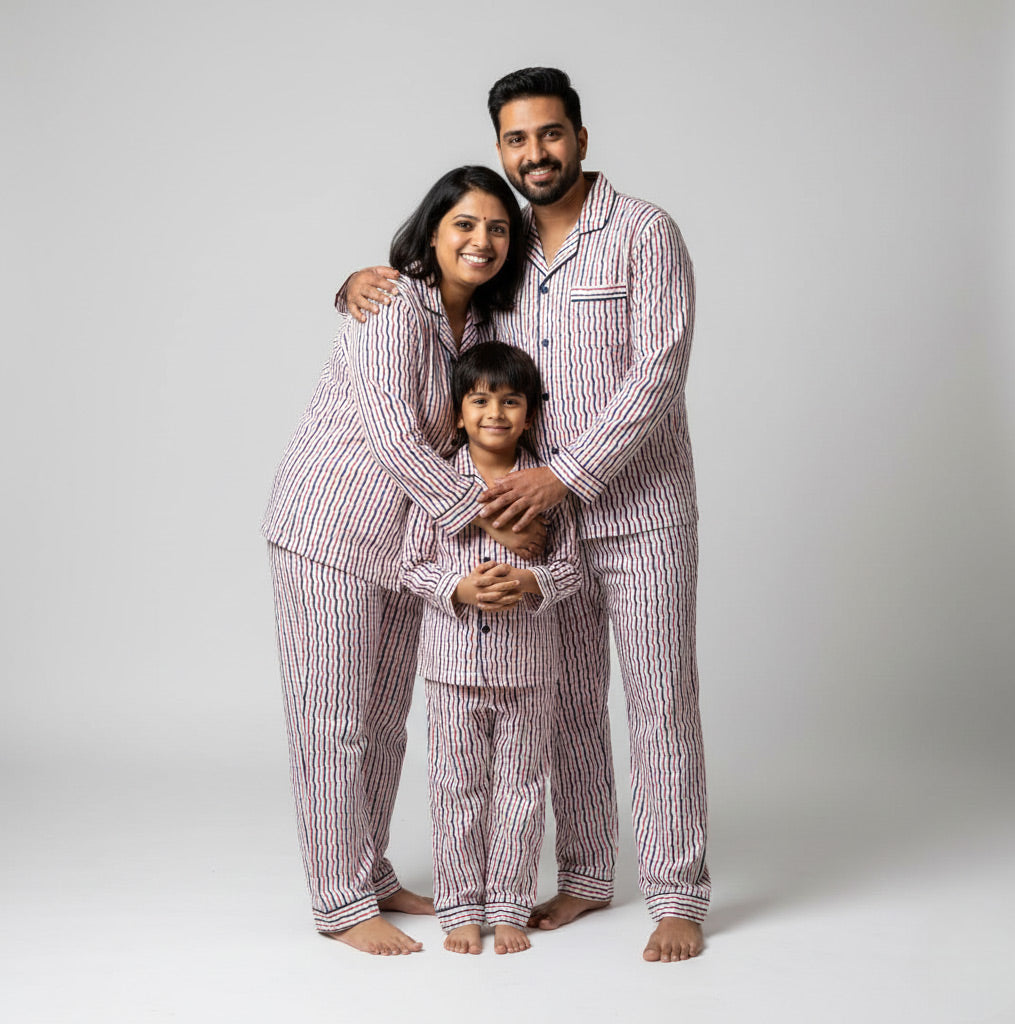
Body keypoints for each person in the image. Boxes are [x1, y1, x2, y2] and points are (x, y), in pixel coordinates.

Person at [341, 68, 708, 962]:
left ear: (581, 137)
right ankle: (585, 877)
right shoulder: (497, 256)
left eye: (549, 135)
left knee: (659, 700)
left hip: (640, 508)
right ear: (502, 147)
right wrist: (356, 283)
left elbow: (658, 371)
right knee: (573, 703)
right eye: (516, 139)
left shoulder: (644, 232)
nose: (534, 154)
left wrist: (564, 478)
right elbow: (447, 330)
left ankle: (679, 895)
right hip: (529, 527)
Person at [263, 165, 536, 956]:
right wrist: (486, 517)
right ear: (433, 231)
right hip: (327, 531)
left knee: (382, 722)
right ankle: (340, 902)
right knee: (333, 722)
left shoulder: (480, 330)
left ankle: (370, 871)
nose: (481, 241)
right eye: (465, 225)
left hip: (403, 547)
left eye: (497, 229)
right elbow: (393, 436)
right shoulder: (392, 304)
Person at [402, 342, 580, 956]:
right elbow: (411, 567)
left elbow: (574, 570)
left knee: (522, 788)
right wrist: (459, 587)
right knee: (456, 787)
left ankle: (507, 905)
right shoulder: (436, 486)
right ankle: (458, 908)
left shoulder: (546, 487)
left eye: (510, 401)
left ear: (529, 414)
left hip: (528, 671)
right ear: (458, 412)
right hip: (450, 668)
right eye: (479, 400)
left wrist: (532, 582)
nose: (494, 413)